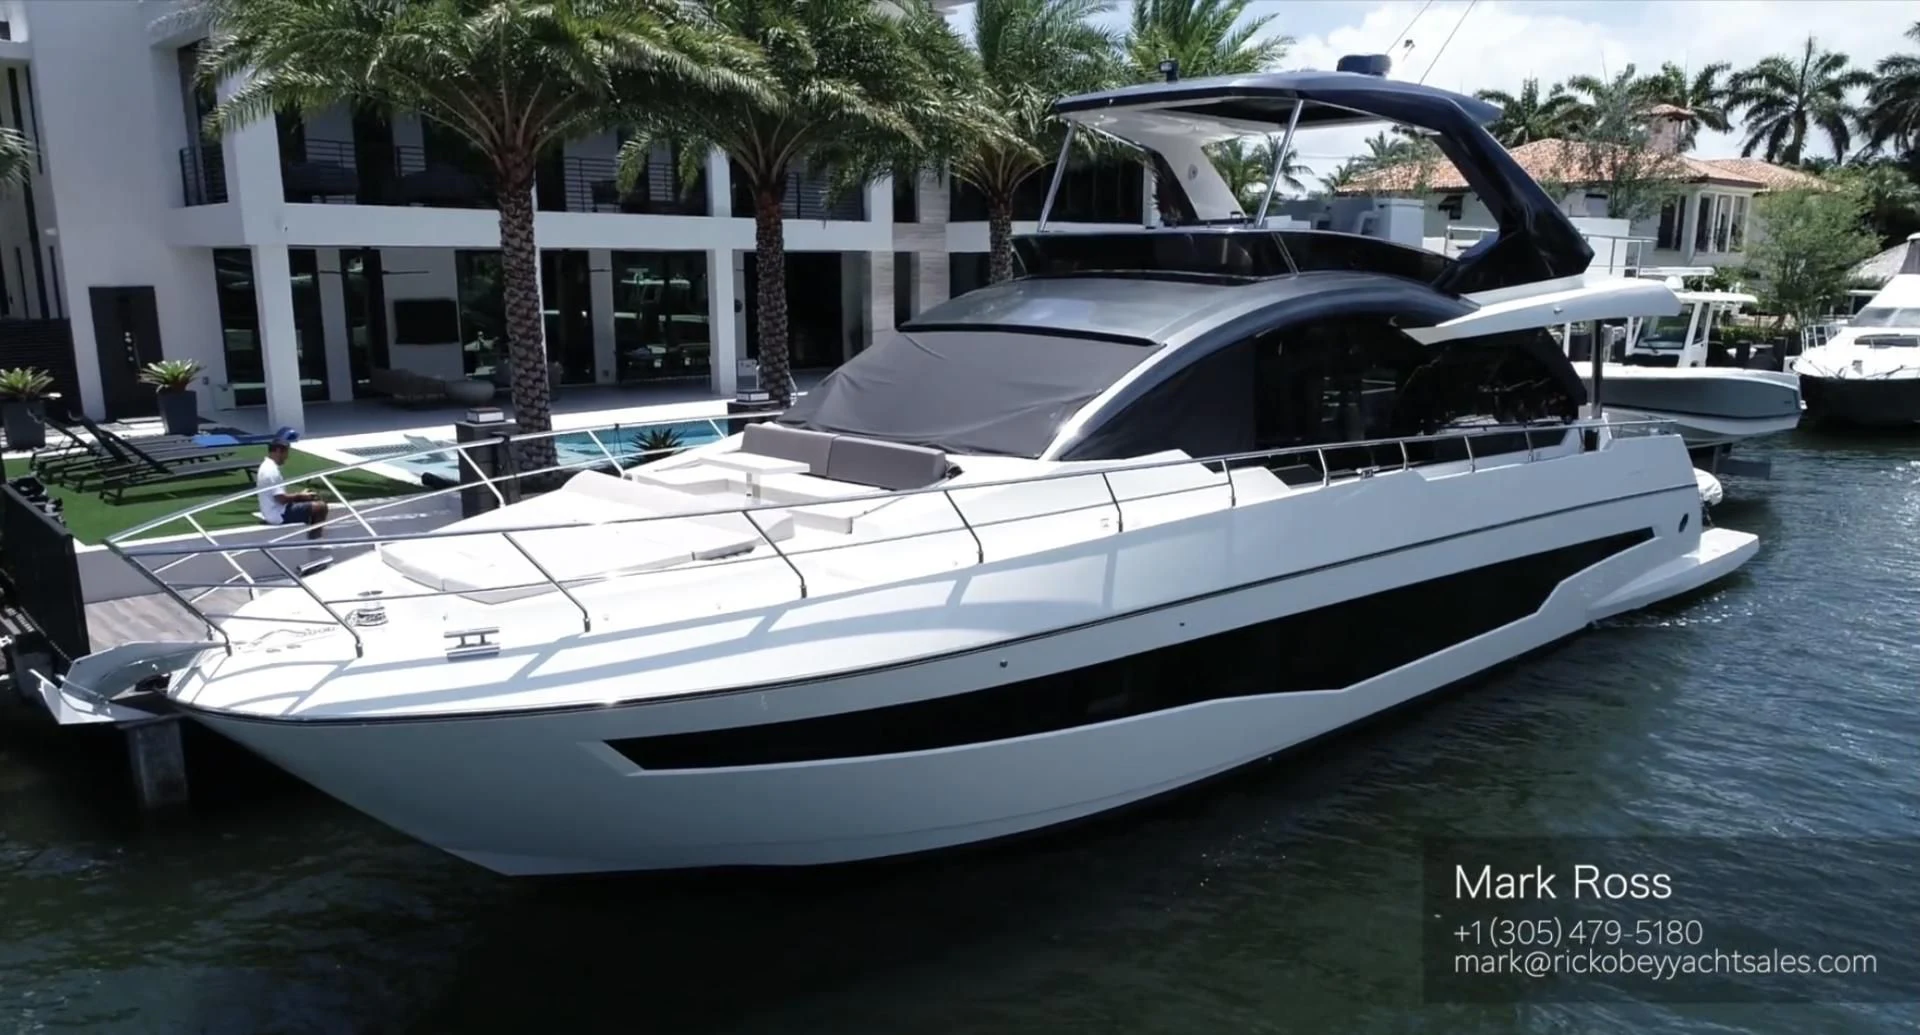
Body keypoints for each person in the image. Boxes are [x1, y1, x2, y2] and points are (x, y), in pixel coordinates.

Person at [257, 436, 330, 549]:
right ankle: (316, 541)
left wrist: (301, 496)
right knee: (320, 507)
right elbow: (281, 499)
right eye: (286, 453)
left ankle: (314, 535)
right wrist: (301, 496)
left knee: (311, 501)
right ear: (278, 451)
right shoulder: (271, 471)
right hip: (278, 514)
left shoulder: (267, 466)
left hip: (275, 510)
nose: (287, 457)